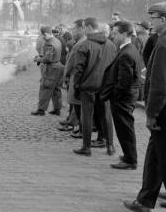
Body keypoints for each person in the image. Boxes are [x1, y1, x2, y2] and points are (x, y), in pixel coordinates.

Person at [124, 2, 166, 212]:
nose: (150, 21)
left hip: (165, 109)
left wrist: (152, 114)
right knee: (157, 154)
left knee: (165, 156)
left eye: (152, 17)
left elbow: (160, 84)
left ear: (163, 19)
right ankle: (146, 199)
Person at [72, 17, 117, 156]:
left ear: (90, 27)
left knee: (87, 116)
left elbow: (78, 69)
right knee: (106, 116)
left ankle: (86, 147)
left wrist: (76, 86)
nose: (83, 30)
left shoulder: (84, 45)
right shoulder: (111, 45)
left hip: (88, 86)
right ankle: (110, 146)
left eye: (84, 27)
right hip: (105, 87)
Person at [103, 21, 142, 169]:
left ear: (125, 34)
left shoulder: (126, 52)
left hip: (123, 98)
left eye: (116, 33)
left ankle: (130, 160)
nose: (113, 35)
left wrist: (116, 96)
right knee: (125, 128)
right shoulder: (129, 49)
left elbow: (124, 81)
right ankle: (128, 155)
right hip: (127, 96)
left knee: (125, 128)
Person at [59, 19, 86, 133]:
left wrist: (66, 74)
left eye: (74, 29)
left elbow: (73, 62)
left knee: (77, 103)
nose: (72, 31)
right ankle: (73, 122)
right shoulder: (78, 41)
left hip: (76, 76)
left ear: (81, 29)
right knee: (74, 103)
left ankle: (78, 126)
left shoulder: (81, 43)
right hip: (74, 75)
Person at [31, 26, 64, 116]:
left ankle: (41, 110)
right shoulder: (57, 40)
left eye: (42, 35)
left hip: (51, 68)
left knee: (45, 88)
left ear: (45, 34)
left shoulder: (49, 43)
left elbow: (48, 59)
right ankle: (57, 109)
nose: (42, 37)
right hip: (59, 66)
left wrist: (38, 59)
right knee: (56, 89)